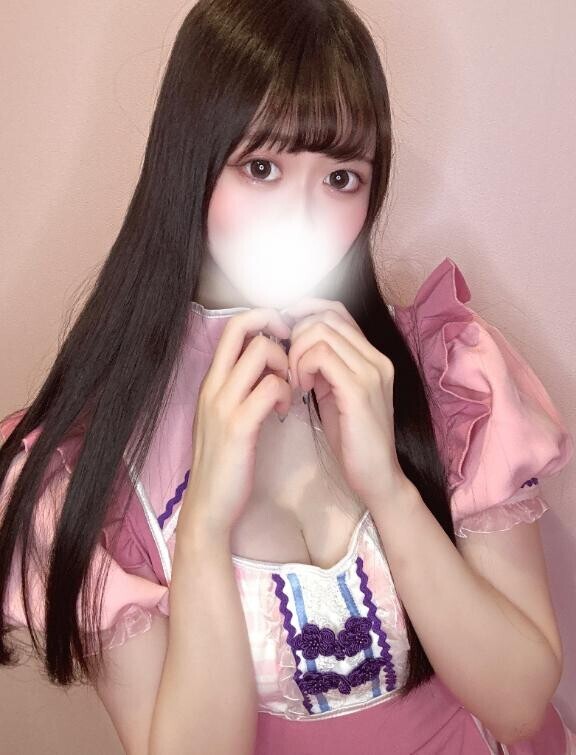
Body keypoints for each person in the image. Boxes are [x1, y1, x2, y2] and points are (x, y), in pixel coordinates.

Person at [0, 0, 574, 753]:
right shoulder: (93, 469)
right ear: (190, 165)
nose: (302, 216)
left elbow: (519, 702)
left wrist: (389, 488)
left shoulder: (447, 372)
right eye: (262, 168)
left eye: (341, 177)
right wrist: (204, 523)